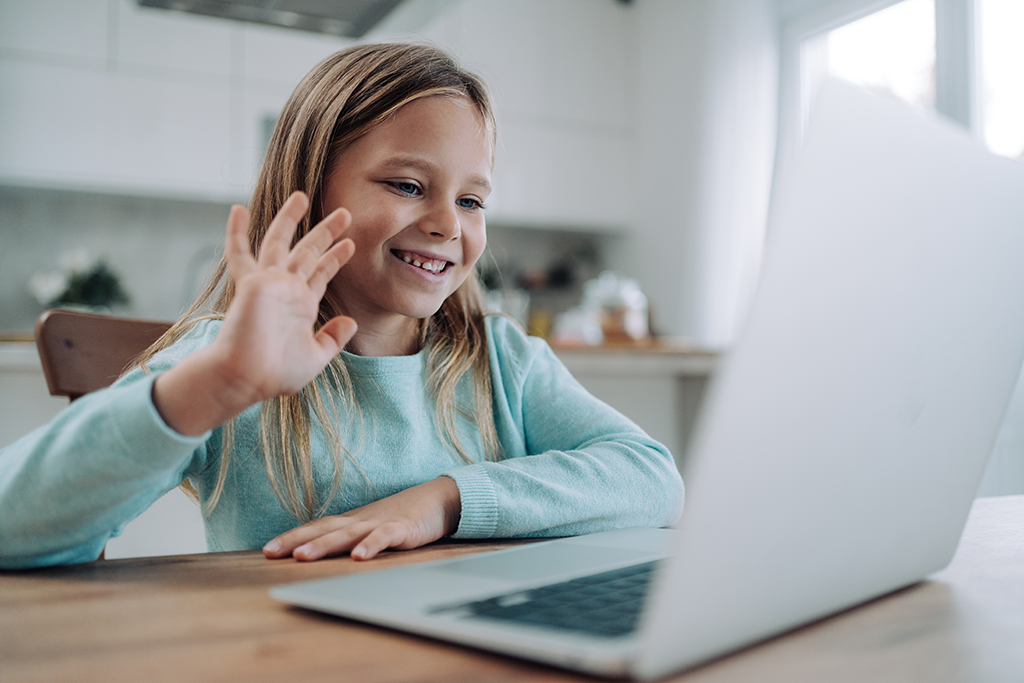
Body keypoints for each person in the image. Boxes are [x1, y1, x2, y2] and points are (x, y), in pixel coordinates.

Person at [0, 43, 684, 569]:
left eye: (472, 199)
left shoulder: (501, 360)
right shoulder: (232, 360)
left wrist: (445, 501)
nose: (449, 222)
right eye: (409, 184)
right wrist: (216, 385)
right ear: (312, 186)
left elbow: (654, 478)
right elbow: (12, 523)